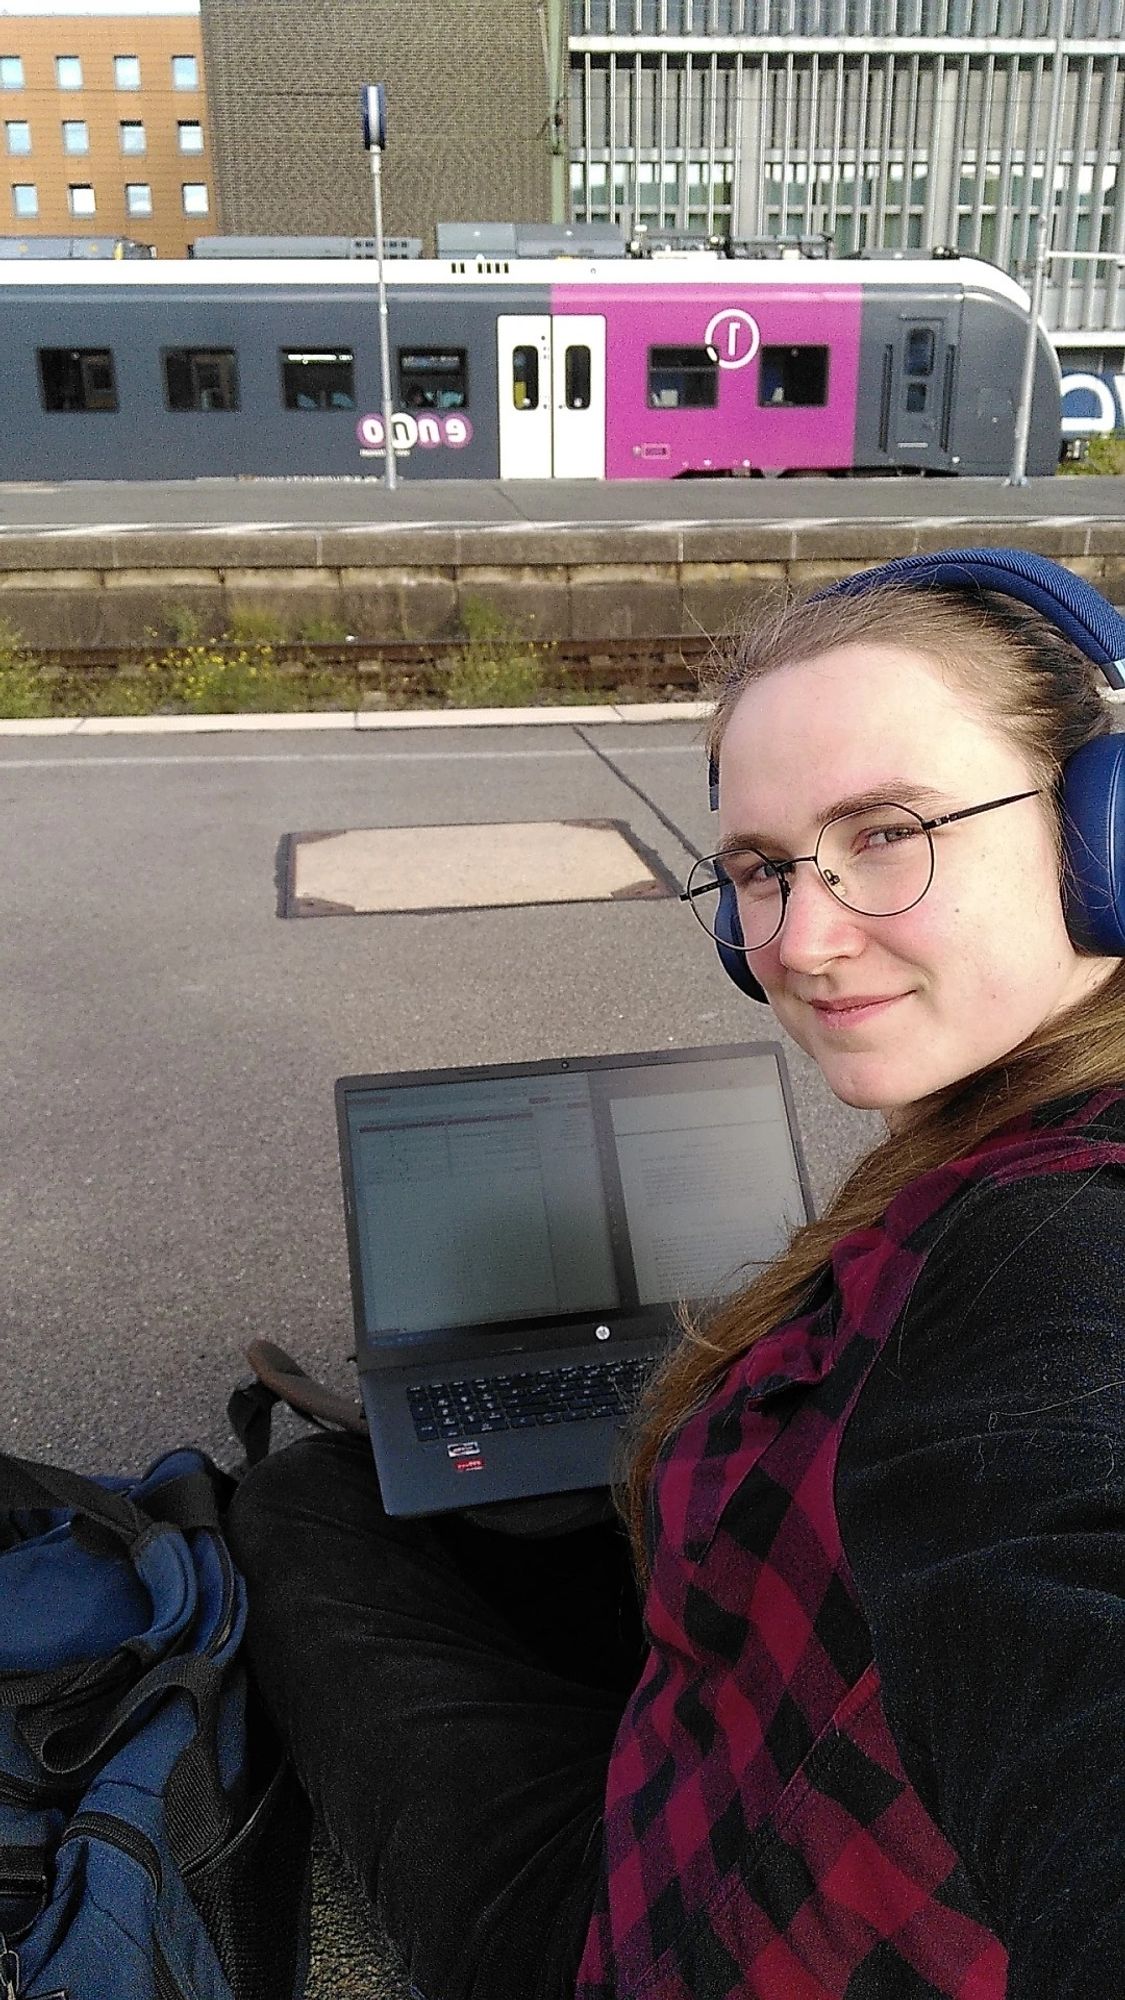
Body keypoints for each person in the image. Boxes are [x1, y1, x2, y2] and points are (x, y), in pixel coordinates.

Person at [227, 547, 1125, 2000]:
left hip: (631, 1937)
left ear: (1108, 834)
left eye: (886, 832)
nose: (801, 945)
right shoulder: (1000, 1142)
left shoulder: (1052, 1245)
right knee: (410, 1488)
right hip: (730, 1742)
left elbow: (1044, 1578)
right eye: (764, 869)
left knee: (299, 1504)